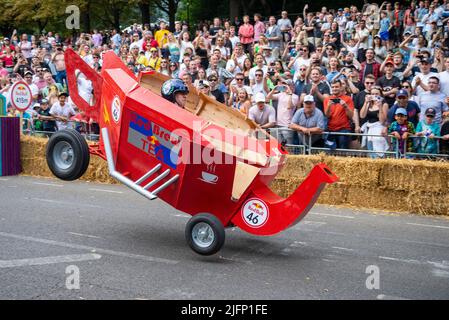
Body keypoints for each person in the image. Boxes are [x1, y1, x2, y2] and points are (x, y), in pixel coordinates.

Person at [324, 79, 355, 149]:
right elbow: (327, 115)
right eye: (333, 87)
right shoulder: (327, 99)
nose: (334, 89)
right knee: (329, 152)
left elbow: (351, 116)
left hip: (344, 129)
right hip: (330, 129)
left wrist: (345, 106)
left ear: (341, 87)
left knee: (342, 151)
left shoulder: (348, 99)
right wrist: (329, 106)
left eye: (336, 87)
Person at [359, 86, 389, 158]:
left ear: (380, 95)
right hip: (370, 129)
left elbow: (382, 121)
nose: (374, 95)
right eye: (372, 94)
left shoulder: (384, 104)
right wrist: (366, 103)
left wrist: (380, 107)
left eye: (376, 94)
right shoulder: (369, 103)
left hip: (379, 129)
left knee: (379, 151)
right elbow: (362, 116)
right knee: (370, 150)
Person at [266, 79, 299, 145]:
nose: (286, 86)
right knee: (278, 146)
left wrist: (290, 94)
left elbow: (289, 106)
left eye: (288, 85)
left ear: (292, 86)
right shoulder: (281, 94)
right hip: (278, 124)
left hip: (287, 125)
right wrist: (273, 90)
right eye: (285, 85)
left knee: (288, 146)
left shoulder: (295, 96)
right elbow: (268, 97)